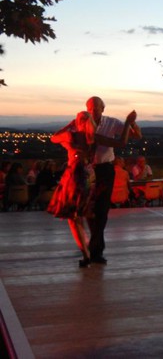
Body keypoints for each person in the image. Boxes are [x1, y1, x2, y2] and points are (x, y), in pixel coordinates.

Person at [86, 96, 141, 264]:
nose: (94, 111)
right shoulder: (85, 125)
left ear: (103, 108)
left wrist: (132, 123)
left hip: (105, 169)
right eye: (91, 108)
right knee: (88, 210)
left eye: (96, 108)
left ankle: (95, 249)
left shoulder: (110, 122)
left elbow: (136, 136)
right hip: (87, 171)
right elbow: (121, 142)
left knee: (102, 210)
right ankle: (94, 246)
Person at [47, 112, 99, 267]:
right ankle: (88, 246)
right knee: (81, 214)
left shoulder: (71, 136)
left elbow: (54, 137)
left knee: (73, 217)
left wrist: (69, 126)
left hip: (75, 175)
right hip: (89, 175)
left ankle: (85, 252)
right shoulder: (92, 138)